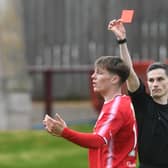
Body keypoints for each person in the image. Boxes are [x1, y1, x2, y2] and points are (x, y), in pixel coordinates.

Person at [43, 56, 138, 168]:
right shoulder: (119, 103)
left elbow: (97, 140)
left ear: (114, 79)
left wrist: (64, 132)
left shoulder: (116, 107)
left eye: (100, 73)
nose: (93, 76)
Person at [108, 19, 168, 168]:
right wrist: (122, 41)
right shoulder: (144, 104)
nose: (155, 84)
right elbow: (129, 73)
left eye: (160, 79)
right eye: (151, 80)